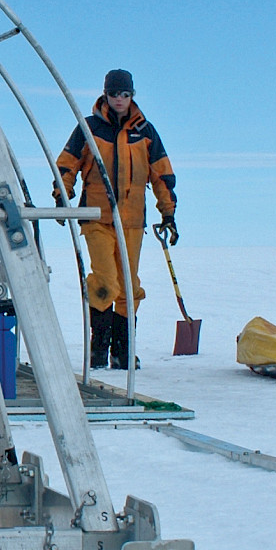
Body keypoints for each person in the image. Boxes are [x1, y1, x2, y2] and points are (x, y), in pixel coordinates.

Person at [54, 69, 177, 370]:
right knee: (106, 281)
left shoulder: (145, 132)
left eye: (125, 94)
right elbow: (67, 164)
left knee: (128, 286)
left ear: (132, 95)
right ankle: (98, 348)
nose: (120, 99)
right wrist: (62, 195)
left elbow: (162, 175)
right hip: (96, 217)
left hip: (132, 221)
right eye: (114, 94)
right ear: (105, 94)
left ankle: (123, 351)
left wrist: (168, 213)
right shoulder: (90, 128)